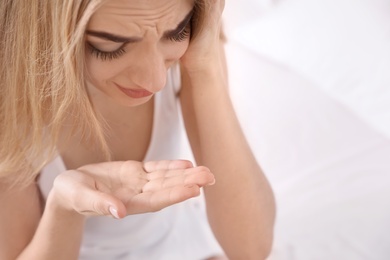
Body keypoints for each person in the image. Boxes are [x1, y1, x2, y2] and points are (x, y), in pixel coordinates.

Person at [0, 0, 275, 259]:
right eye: (110, 47)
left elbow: (250, 250)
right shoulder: (11, 96)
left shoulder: (190, 57)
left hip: (177, 246)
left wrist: (204, 66)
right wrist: (65, 206)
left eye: (176, 32)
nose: (155, 81)